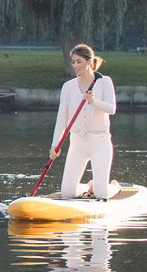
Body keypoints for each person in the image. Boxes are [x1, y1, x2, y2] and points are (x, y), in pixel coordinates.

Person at [49, 44, 120, 199]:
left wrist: (93, 101)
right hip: (77, 143)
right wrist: (55, 144)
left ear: (89, 61)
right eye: (73, 62)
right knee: (67, 194)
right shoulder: (68, 87)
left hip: (100, 142)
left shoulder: (104, 81)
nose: (75, 66)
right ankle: (88, 186)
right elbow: (62, 118)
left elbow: (112, 109)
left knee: (102, 194)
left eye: (79, 61)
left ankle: (114, 187)